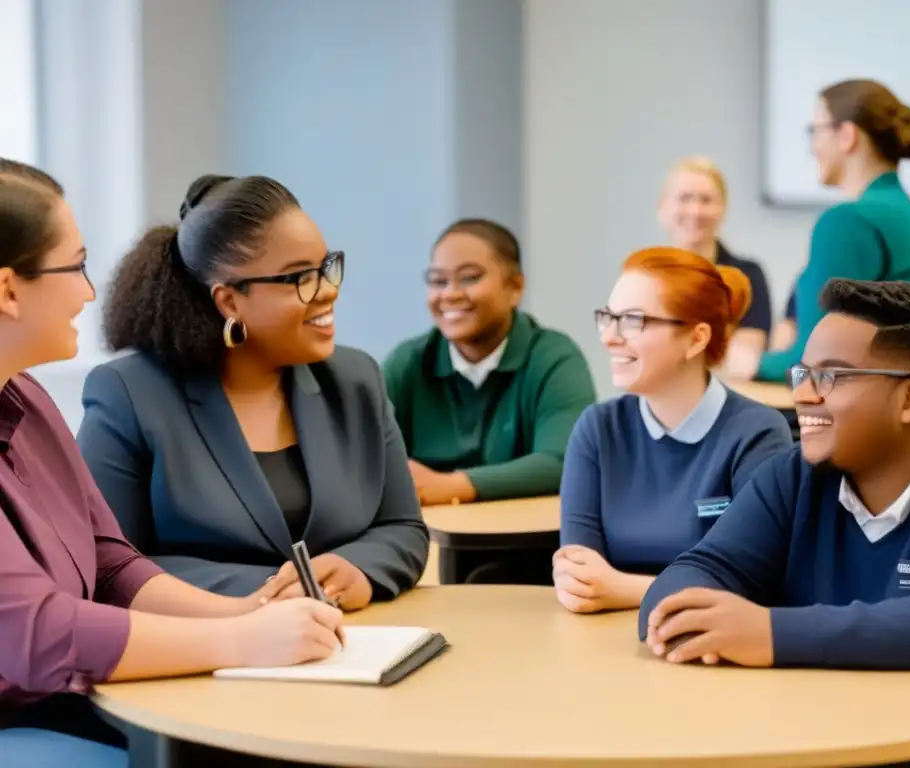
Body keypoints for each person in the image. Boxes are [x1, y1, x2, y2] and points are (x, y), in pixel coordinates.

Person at [0, 160, 344, 766]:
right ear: (7, 289)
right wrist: (237, 640)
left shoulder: (24, 394)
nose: (89, 290)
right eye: (76, 266)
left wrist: (245, 612)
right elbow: (36, 635)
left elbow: (108, 563)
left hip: (63, 700)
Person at [641, 279, 910, 678]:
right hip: (803, 727)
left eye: (831, 377)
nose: (802, 394)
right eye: (801, 374)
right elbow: (692, 577)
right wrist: (688, 619)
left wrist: (772, 634)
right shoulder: (791, 476)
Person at [77, 174, 428, 603]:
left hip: (355, 644)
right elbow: (106, 562)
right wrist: (273, 591)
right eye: (300, 277)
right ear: (229, 301)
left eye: (326, 267)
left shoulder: (356, 379)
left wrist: (357, 571)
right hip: (202, 654)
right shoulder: (129, 394)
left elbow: (402, 528)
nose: (328, 291)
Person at [554, 248, 792, 613]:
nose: (610, 338)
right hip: (601, 647)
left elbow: (756, 580)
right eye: (608, 317)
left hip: (717, 648)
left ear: (696, 339)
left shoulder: (758, 433)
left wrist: (623, 588)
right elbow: (580, 578)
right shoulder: (597, 428)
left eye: (633, 321)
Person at [382, 218, 596, 507]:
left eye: (470, 277)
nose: (451, 294)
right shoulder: (407, 362)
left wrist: (451, 486)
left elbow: (565, 460)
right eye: (438, 281)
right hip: (433, 541)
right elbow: (363, 457)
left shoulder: (553, 357)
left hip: (525, 542)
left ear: (515, 287)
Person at [740, 79, 910, 382]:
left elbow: (817, 361)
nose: (812, 147)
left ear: (847, 135)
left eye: (815, 131)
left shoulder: (848, 220)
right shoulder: (904, 210)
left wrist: (753, 364)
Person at [657, 157, 774, 372]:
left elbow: (744, 362)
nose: (695, 211)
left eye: (706, 200)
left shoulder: (747, 276)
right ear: (662, 208)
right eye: (684, 198)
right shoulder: (646, 279)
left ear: (723, 208)